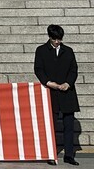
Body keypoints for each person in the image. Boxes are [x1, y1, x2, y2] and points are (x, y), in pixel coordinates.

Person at [34, 24, 79, 166]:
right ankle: (50, 154)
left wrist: (68, 83)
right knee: (50, 125)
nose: (58, 42)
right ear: (50, 37)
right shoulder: (41, 50)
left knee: (69, 125)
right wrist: (48, 82)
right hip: (50, 91)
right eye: (55, 39)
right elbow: (38, 69)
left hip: (67, 92)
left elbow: (74, 69)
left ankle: (69, 155)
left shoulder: (68, 51)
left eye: (59, 39)